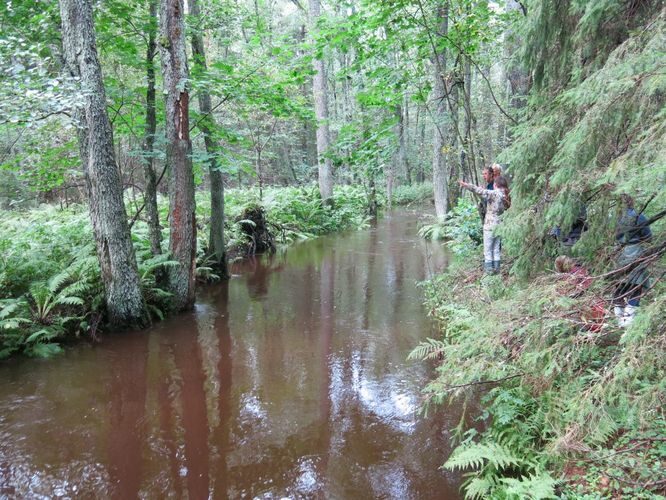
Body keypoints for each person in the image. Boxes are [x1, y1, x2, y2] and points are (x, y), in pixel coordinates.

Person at [613, 195, 652, 327]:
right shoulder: (639, 216)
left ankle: (618, 319)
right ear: (631, 202)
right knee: (636, 286)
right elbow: (648, 236)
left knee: (619, 285)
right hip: (636, 252)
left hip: (618, 253)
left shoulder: (613, 218)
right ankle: (628, 322)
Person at [460, 175, 511, 274]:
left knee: (488, 251)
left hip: (490, 226)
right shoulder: (506, 195)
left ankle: (489, 274)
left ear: (495, 185)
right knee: (496, 249)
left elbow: (478, 190)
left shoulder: (494, 194)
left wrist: (466, 185)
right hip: (499, 225)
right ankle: (497, 272)